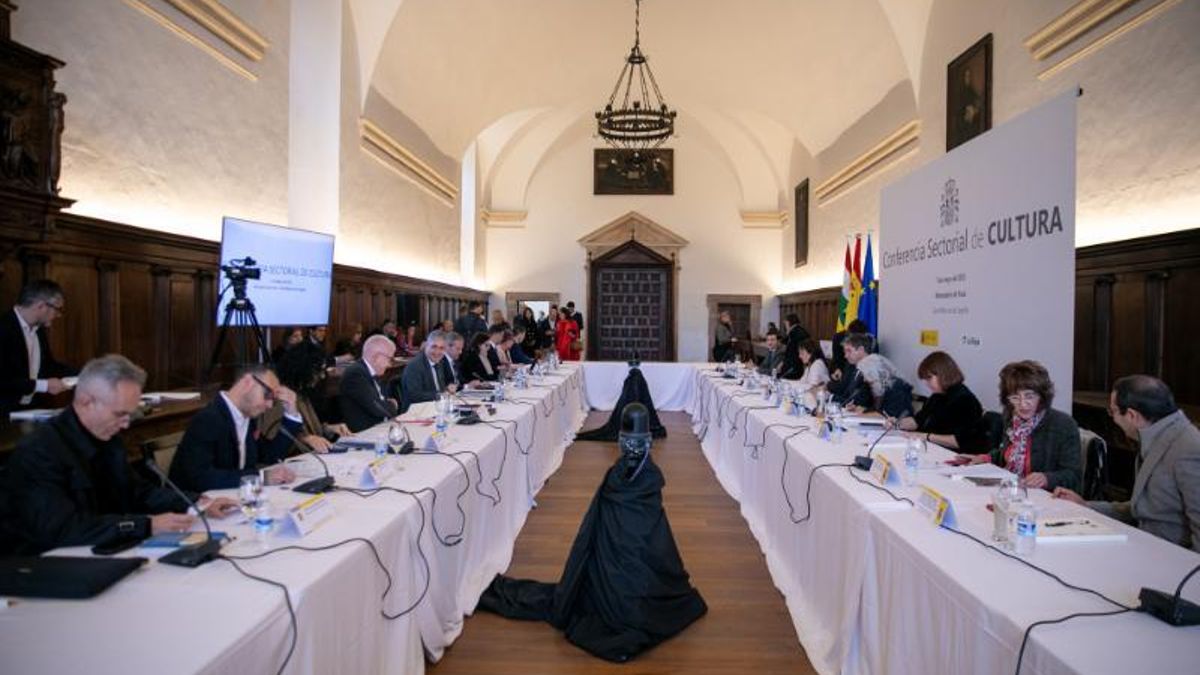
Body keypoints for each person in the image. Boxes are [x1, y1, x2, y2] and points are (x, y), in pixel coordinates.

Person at [0, 355, 237, 555]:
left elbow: (137, 492)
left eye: (130, 416)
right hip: (45, 568)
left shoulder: (108, 438)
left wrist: (195, 503)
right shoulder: (39, 451)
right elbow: (63, 529)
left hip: (103, 553)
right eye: (120, 414)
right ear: (86, 401)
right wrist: (144, 525)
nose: (125, 425)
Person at [1054, 375, 1200, 551]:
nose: (1113, 419)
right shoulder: (1157, 435)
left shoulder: (1189, 449)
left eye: (1113, 411)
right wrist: (1086, 505)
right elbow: (1140, 507)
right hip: (1144, 545)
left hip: (1170, 560)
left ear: (1132, 415)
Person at [169, 365, 300, 492]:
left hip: (234, 498)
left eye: (273, 399)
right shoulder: (208, 418)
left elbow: (269, 456)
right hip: (196, 505)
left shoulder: (248, 417)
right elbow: (200, 478)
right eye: (267, 395)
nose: (270, 405)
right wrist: (260, 477)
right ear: (247, 382)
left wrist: (291, 414)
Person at [958, 360, 1081, 491]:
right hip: (1011, 489)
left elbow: (1073, 476)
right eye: (1015, 398)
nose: (1023, 404)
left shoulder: (1063, 425)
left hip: (1045, 497)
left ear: (1042, 396)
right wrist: (986, 458)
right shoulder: (1010, 417)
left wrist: (1047, 478)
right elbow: (1007, 454)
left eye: (1029, 396)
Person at [0, 279, 77, 412]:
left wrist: (86, 375)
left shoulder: (38, 329)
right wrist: (44, 385)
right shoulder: (3, 327)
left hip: (30, 409)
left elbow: (49, 365)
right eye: (57, 309)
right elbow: (3, 379)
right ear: (41, 306)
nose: (58, 315)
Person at [260, 345, 351, 453]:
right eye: (318, 371)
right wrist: (306, 439)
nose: (322, 376)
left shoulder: (302, 391)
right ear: (304, 368)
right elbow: (274, 440)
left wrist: (329, 429)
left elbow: (308, 429)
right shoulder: (280, 395)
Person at [894, 351, 987, 452]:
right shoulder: (937, 396)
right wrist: (897, 424)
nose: (926, 383)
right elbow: (918, 421)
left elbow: (960, 441)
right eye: (925, 379)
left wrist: (925, 436)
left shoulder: (965, 400)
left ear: (943, 374)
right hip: (932, 449)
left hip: (953, 455)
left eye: (929, 378)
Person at [338, 334, 400, 432]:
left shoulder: (370, 371)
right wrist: (393, 405)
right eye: (389, 359)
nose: (389, 364)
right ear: (376, 357)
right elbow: (377, 407)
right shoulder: (355, 374)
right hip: (363, 434)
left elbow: (381, 403)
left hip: (379, 428)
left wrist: (387, 405)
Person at [399, 330, 453, 412]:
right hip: (416, 413)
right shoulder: (415, 366)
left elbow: (439, 388)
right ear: (426, 345)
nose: (437, 352)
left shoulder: (439, 362)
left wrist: (447, 390)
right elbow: (415, 395)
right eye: (434, 347)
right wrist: (440, 395)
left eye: (442, 348)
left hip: (435, 409)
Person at [847, 353, 913, 419]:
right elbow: (876, 409)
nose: (864, 379)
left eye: (867, 375)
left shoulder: (897, 387)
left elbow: (885, 416)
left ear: (876, 373)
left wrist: (852, 417)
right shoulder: (879, 387)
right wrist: (861, 409)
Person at [827, 332, 873, 408]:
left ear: (861, 350)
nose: (845, 356)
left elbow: (857, 402)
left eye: (849, 351)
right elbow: (846, 395)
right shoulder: (854, 369)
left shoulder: (870, 371)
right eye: (845, 352)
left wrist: (829, 397)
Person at [778, 313, 811, 380]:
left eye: (785, 324)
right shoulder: (800, 331)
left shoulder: (795, 333)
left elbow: (791, 352)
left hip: (794, 367)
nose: (785, 326)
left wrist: (783, 363)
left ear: (788, 323)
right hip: (796, 365)